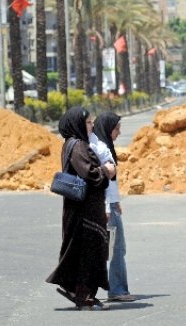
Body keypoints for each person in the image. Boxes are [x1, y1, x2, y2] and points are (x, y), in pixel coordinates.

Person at [46, 106, 117, 311]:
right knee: (87, 251)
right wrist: (108, 169)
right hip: (84, 212)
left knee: (85, 251)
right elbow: (91, 174)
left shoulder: (74, 144)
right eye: (87, 122)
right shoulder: (77, 146)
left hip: (82, 209)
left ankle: (81, 291)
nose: (91, 125)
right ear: (77, 124)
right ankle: (82, 293)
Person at [93, 111, 136, 302]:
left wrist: (116, 201)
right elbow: (101, 181)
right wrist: (108, 208)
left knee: (116, 248)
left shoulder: (105, 146)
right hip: (106, 207)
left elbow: (111, 182)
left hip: (110, 204)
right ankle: (117, 290)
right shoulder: (100, 148)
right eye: (116, 128)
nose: (119, 132)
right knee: (116, 248)